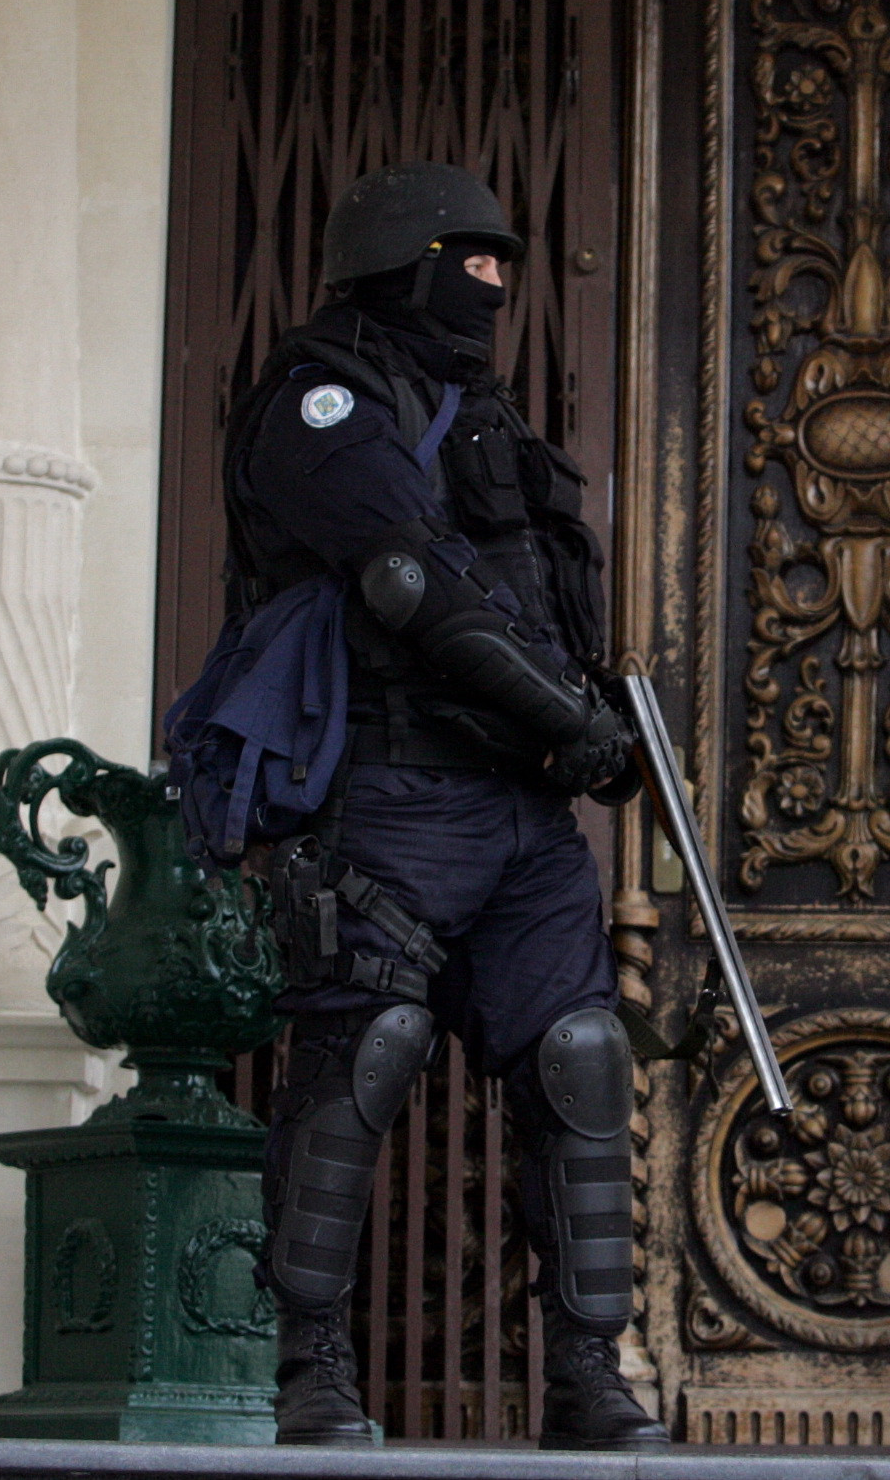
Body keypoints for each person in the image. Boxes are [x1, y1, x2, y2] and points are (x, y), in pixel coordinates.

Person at [223, 162, 666, 1450]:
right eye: (466, 265)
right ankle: (308, 1370)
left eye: (499, 270)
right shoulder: (323, 404)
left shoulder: (488, 416)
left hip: (521, 815)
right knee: (360, 1063)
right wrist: (568, 721)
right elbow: (409, 580)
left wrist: (597, 720)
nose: (489, 290)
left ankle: (588, 1376)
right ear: (399, 265)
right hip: (389, 789)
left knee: (581, 1062)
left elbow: (531, 592)